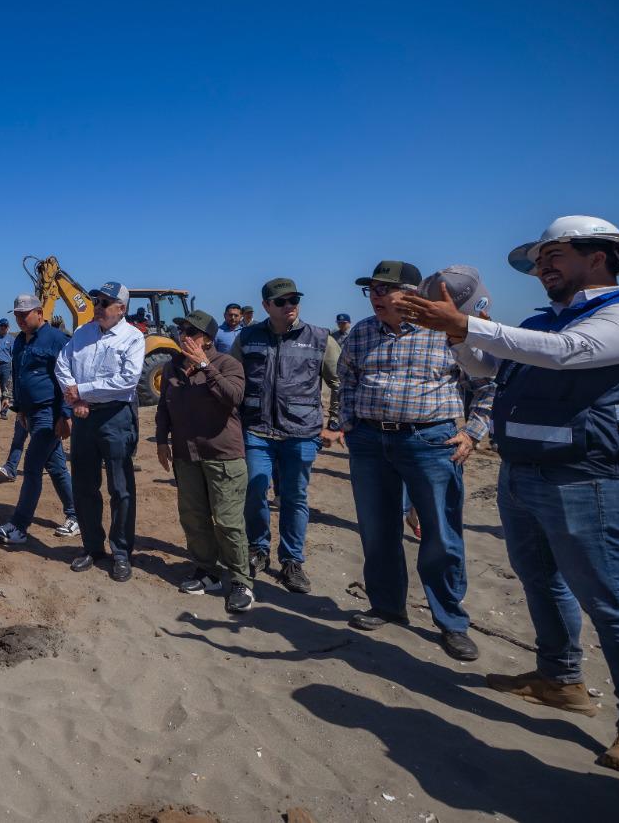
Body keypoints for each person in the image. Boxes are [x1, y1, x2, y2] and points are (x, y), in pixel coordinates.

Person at [401, 216, 619, 784]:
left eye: (554, 254)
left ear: (600, 256)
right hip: (524, 474)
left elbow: (566, 354)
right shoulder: (538, 322)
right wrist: (460, 335)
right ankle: (560, 680)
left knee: (610, 603)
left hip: (592, 478)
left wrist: (470, 326)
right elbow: (487, 369)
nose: (541, 266)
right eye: (538, 258)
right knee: (542, 582)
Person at [335, 260, 492, 662]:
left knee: (440, 533)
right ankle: (387, 606)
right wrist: (350, 422)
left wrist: (472, 432)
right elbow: (346, 378)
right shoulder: (361, 333)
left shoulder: (446, 330)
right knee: (377, 529)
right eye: (371, 289)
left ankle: (451, 622)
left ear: (413, 294)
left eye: (385, 289)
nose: (376, 296)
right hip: (370, 442)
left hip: (430, 442)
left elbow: (488, 384)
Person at [229, 278, 341, 593]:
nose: (289, 305)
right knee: (254, 491)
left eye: (294, 299)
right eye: (281, 301)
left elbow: (341, 380)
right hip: (257, 431)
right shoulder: (249, 337)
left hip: (301, 433)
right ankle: (258, 549)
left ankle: (292, 561)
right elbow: (233, 379)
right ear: (266, 306)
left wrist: (334, 422)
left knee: (294, 497)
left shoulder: (320, 338)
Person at [155, 310, 253, 614]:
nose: (184, 336)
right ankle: (207, 570)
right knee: (194, 517)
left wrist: (204, 365)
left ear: (208, 339)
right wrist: (161, 440)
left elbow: (233, 396)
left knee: (227, 521)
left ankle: (240, 581)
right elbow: (164, 407)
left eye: (192, 332)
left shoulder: (227, 364)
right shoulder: (172, 367)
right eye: (182, 330)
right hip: (187, 455)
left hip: (222, 456)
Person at [55, 281, 145, 582]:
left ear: (121, 309)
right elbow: (61, 365)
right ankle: (92, 548)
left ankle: (121, 552)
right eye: (97, 301)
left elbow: (127, 381)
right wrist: (76, 398)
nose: (98, 307)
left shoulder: (133, 338)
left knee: (120, 489)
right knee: (84, 486)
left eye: (105, 303)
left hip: (115, 418)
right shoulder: (82, 334)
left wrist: (82, 391)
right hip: (84, 418)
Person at [0, 294, 79, 544]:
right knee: (56, 467)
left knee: (31, 467)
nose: (20, 318)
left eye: (25, 314)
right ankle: (76, 515)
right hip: (29, 413)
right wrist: (19, 407)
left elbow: (68, 378)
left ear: (39, 313)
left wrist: (65, 414)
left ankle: (19, 526)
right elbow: (20, 375)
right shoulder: (19, 341)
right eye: (17, 314)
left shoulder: (57, 339)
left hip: (49, 414)